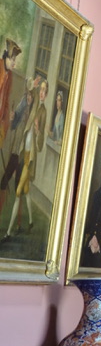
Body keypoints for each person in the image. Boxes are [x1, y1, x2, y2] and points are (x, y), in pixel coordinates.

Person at [3, 79, 47, 239]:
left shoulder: (42, 112)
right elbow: (28, 86)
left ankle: (8, 232)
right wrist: (32, 85)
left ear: (46, 93)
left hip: (30, 159)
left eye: (43, 90)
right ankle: (30, 221)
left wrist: (38, 132)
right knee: (26, 192)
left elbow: (41, 144)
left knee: (18, 191)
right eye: (39, 89)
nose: (40, 92)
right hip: (23, 153)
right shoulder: (32, 105)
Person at [80, 151, 101, 269]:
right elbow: (88, 219)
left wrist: (98, 240)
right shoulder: (94, 195)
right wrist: (93, 238)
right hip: (91, 241)